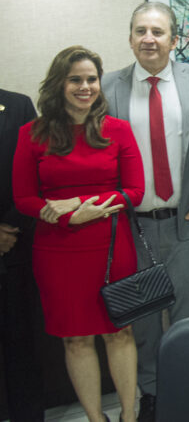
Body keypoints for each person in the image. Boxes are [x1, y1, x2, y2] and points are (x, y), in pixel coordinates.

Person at [13, 46, 144, 422]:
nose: (85, 87)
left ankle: (128, 416)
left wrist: (81, 204)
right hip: (58, 251)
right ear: (59, 83)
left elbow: (134, 191)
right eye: (76, 79)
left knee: (120, 332)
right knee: (76, 338)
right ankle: (96, 417)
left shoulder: (117, 130)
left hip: (112, 245)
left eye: (91, 79)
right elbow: (23, 198)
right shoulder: (31, 134)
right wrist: (69, 216)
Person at [102, 1, 189, 422]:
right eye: (140, 31)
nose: (148, 39)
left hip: (187, 220)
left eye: (157, 31)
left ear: (174, 38)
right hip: (133, 225)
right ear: (130, 37)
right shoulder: (107, 87)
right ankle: (151, 393)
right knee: (147, 320)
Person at [0, 88, 44, 422]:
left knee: (20, 342)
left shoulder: (17, 106)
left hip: (13, 245)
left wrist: (8, 229)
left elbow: (37, 171)